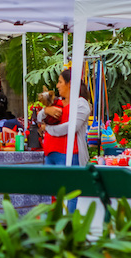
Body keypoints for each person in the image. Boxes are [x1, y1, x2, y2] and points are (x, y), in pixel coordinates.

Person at [37, 67, 92, 212]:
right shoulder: (57, 102)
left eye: (60, 82)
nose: (57, 85)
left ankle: (69, 226)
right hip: (50, 152)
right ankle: (54, 225)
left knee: (70, 192)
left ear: (70, 84)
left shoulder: (81, 104)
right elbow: (38, 117)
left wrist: (47, 129)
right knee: (51, 193)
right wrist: (46, 111)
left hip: (69, 153)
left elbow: (70, 128)